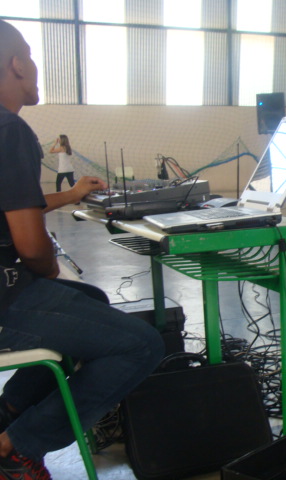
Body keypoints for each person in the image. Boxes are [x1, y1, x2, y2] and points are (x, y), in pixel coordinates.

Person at [0, 20, 164, 479]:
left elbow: (12, 205)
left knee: (90, 300)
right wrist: (48, 271)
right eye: (31, 57)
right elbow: (31, 245)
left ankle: (8, 410)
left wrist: (71, 196)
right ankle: (14, 447)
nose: (35, 68)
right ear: (17, 64)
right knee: (140, 346)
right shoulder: (9, 129)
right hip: (4, 296)